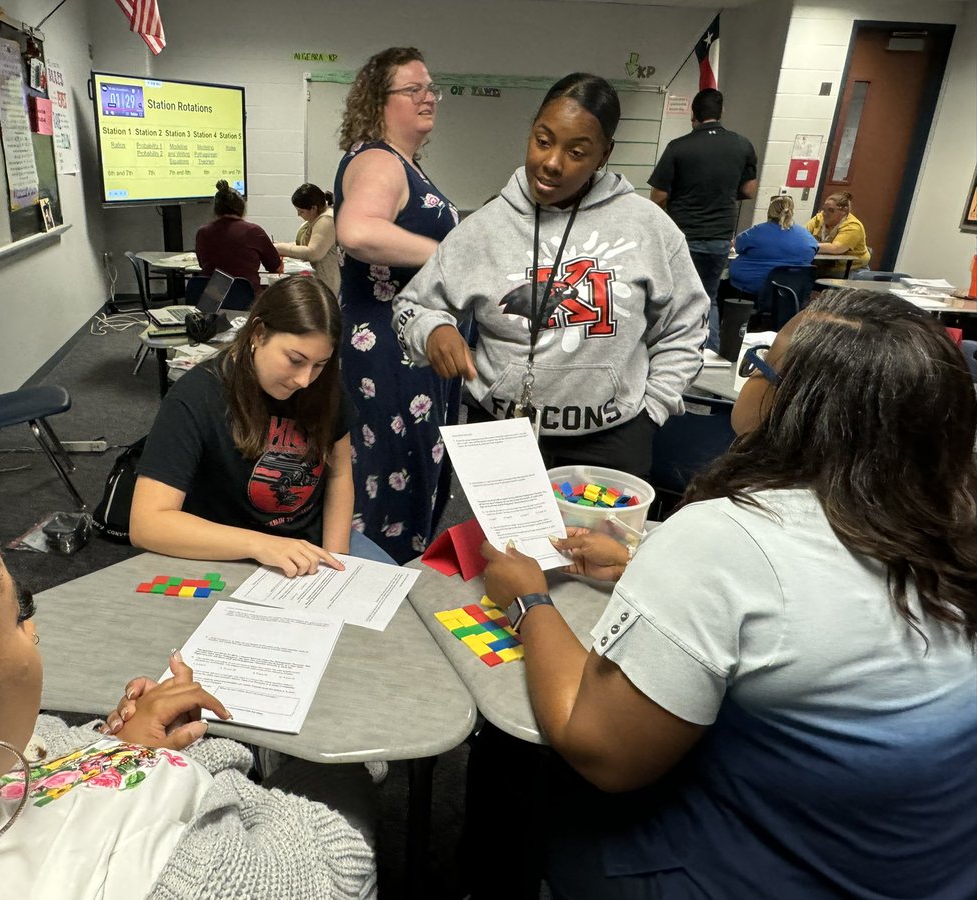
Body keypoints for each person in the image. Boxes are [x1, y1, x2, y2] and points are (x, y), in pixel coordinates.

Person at [478, 288, 977, 899]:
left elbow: (603, 752)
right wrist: (642, 561)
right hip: (927, 867)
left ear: (788, 404)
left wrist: (528, 601)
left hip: (765, 874)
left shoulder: (724, 535)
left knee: (521, 765)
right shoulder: (951, 521)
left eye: (759, 365)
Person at [0, 487, 377, 898]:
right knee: (344, 763)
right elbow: (340, 864)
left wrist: (121, 750)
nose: (34, 629)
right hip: (270, 833)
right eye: (19, 615)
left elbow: (38, 755)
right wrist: (195, 762)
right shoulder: (177, 876)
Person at [394, 72, 707, 479]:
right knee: (501, 526)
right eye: (543, 141)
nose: (552, 163)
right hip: (502, 431)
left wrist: (655, 408)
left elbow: (686, 324)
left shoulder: (649, 227)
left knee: (599, 526)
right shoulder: (483, 228)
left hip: (613, 440)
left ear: (604, 154)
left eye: (577, 152)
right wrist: (433, 329)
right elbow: (411, 306)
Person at [131, 276, 394, 576]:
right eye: (295, 360)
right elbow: (146, 523)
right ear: (258, 333)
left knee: (401, 597)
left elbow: (339, 475)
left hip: (309, 545)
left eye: (319, 365)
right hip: (227, 551)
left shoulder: (323, 388)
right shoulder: (196, 396)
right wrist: (260, 544)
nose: (304, 380)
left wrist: (335, 561)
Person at [333, 46, 461, 563]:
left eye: (430, 88)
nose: (428, 97)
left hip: (409, 345)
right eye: (413, 89)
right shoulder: (379, 160)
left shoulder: (403, 164)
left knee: (410, 470)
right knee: (390, 473)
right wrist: (450, 258)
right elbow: (357, 231)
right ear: (378, 100)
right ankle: (375, 582)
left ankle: (387, 578)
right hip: (388, 349)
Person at [649, 88, 758, 352]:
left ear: (693, 115)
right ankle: (709, 354)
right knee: (708, 296)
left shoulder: (678, 147)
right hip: (720, 237)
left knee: (675, 297)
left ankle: (671, 353)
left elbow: (658, 197)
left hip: (683, 237)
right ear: (721, 112)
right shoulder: (743, 145)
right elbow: (749, 190)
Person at [194, 179, 282, 298]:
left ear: (216, 209)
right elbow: (276, 267)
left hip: (211, 299)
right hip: (247, 299)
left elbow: (202, 264)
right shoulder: (254, 231)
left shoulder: (202, 233)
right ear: (241, 207)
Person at [728, 193, 819, 297]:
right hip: (791, 293)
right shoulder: (806, 236)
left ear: (769, 212)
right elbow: (813, 250)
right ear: (792, 212)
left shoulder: (756, 232)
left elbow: (737, 246)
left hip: (751, 290)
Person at [274, 183, 341, 297]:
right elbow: (304, 244)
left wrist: (280, 248)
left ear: (313, 208)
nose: (298, 214)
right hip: (321, 281)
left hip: (329, 283)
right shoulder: (317, 217)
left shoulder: (327, 220)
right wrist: (282, 244)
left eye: (301, 211)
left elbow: (313, 253)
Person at [806, 190, 870, 276]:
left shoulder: (853, 226)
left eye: (831, 210)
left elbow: (835, 248)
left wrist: (807, 246)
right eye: (824, 209)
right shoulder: (819, 218)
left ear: (844, 211)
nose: (825, 213)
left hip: (849, 269)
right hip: (823, 267)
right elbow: (803, 234)